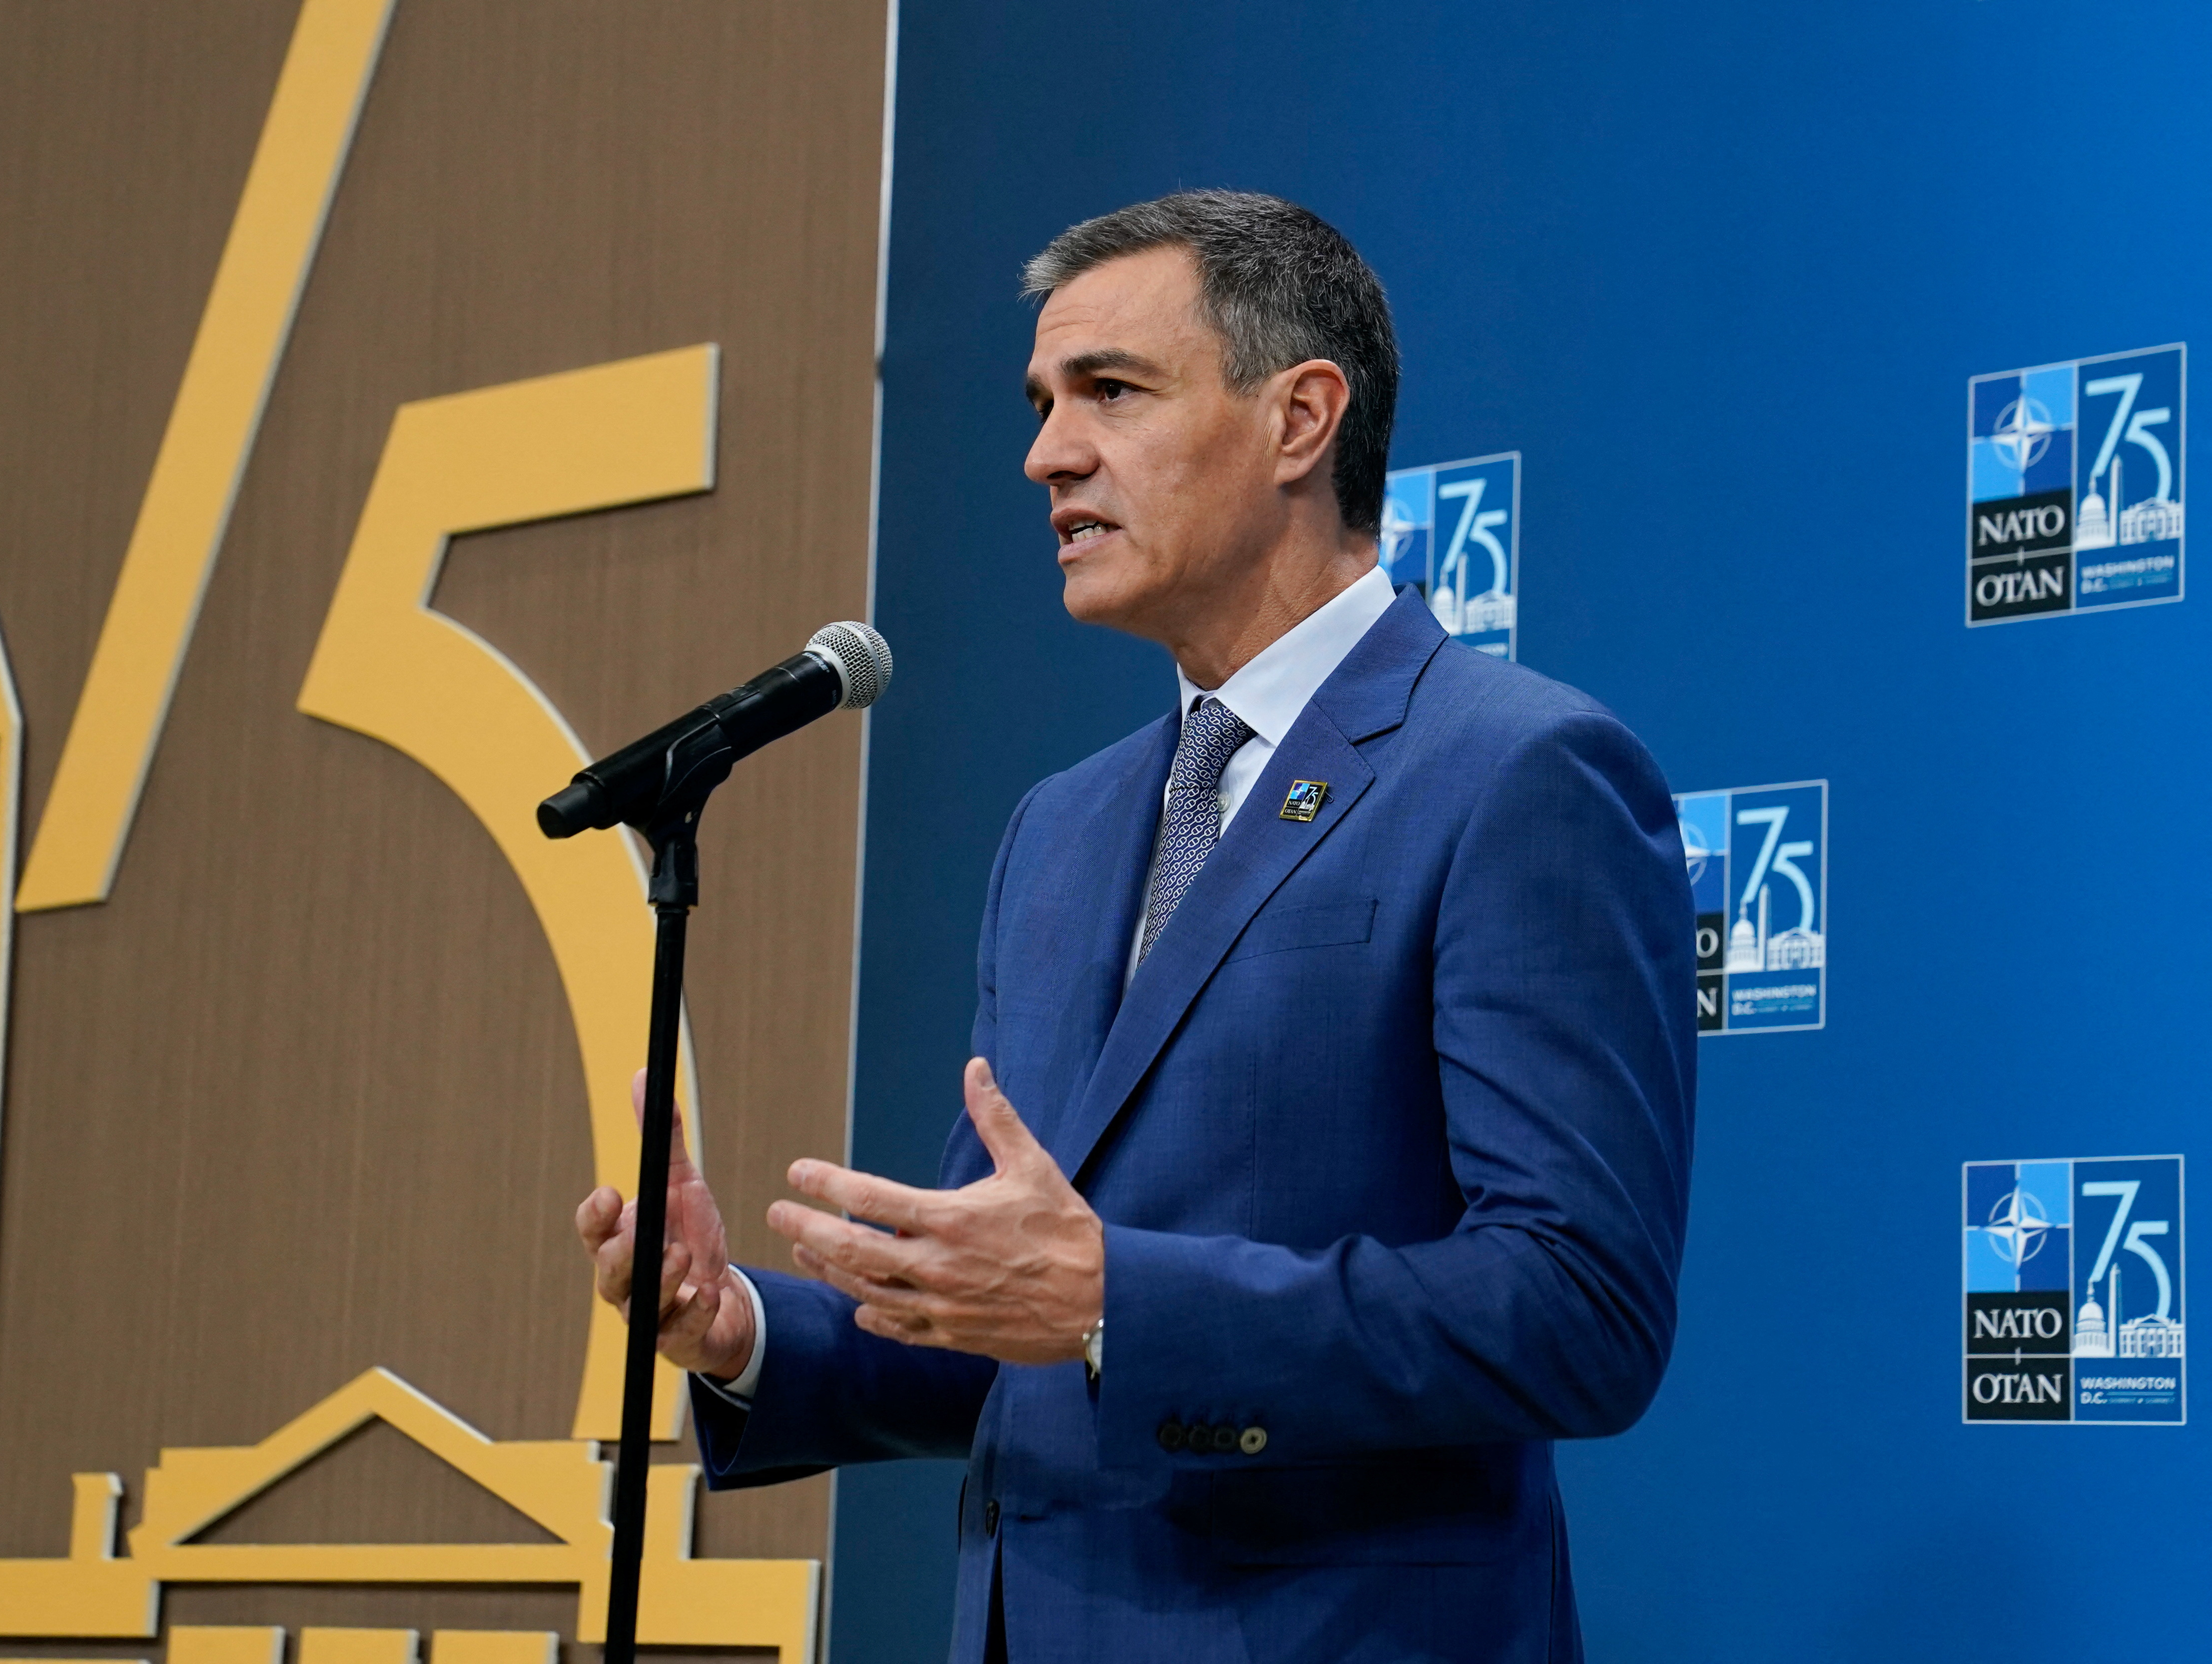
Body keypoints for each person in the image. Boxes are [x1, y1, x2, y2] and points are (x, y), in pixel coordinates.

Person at [576, 189, 1696, 1663]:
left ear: (1300, 419)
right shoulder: (1061, 828)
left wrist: (1119, 1298)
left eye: (1110, 391)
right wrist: (736, 1329)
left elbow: (1576, 1306)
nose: (1047, 452)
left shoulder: (1514, 772)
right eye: (1043, 403)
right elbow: (1001, 1315)